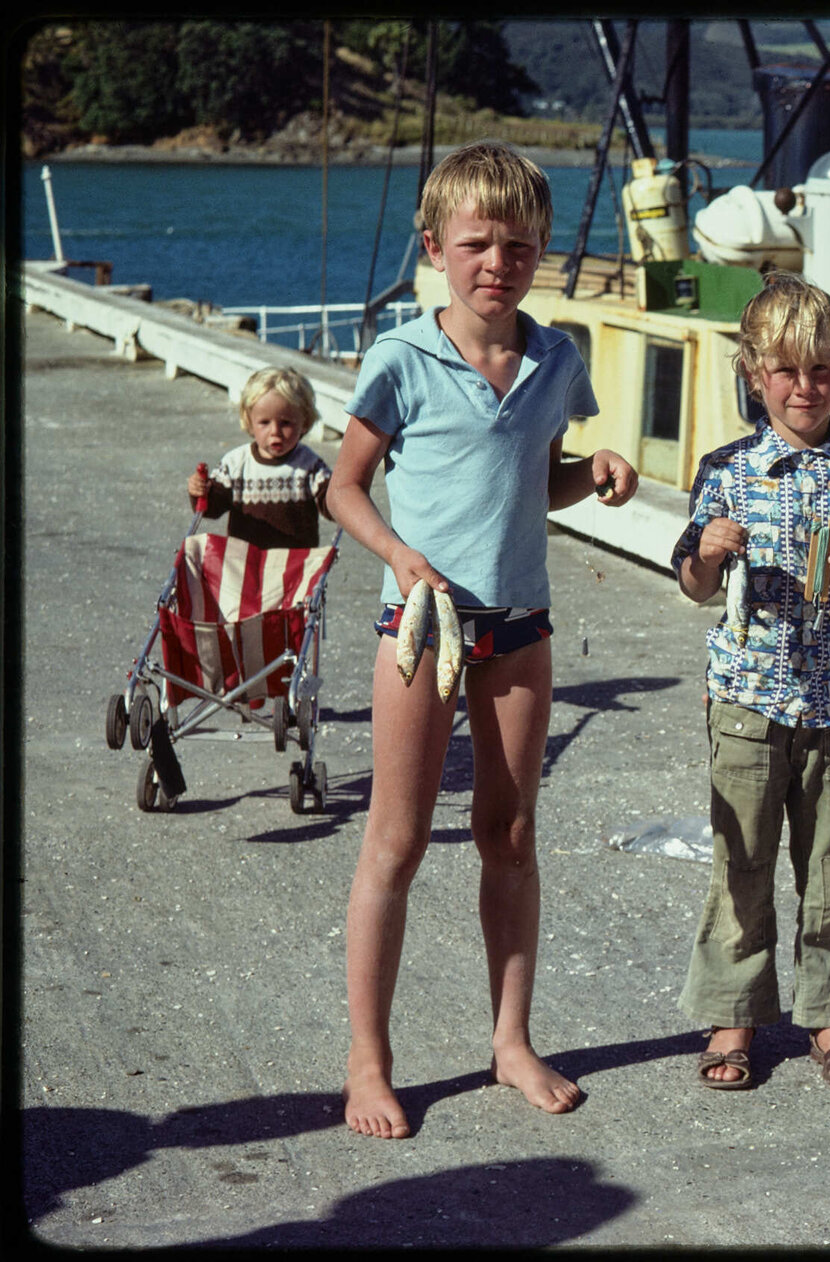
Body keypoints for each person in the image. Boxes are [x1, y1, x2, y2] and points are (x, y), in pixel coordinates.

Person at [327, 139, 638, 1139]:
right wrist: (400, 555)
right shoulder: (401, 358)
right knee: (398, 839)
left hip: (520, 626)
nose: (496, 261)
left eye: (517, 245)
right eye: (475, 243)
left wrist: (595, 473)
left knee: (507, 833)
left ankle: (510, 1041)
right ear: (434, 248)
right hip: (418, 628)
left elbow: (535, 480)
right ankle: (368, 1061)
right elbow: (345, 488)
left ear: (539, 252)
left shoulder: (555, 359)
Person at [673, 271, 830, 1090]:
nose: (804, 386)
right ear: (754, 374)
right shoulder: (725, 470)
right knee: (740, 861)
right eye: (786, 370)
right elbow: (693, 584)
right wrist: (705, 550)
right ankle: (733, 1012)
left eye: (820, 370)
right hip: (745, 696)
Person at [186, 366, 333, 549]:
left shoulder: (309, 465)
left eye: (286, 423)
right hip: (246, 564)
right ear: (250, 422)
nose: (275, 432)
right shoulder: (235, 464)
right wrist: (200, 490)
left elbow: (332, 506)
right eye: (264, 423)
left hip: (295, 567)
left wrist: (342, 491)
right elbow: (211, 509)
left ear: (304, 423)